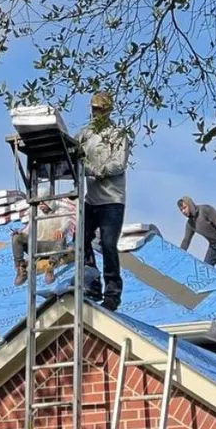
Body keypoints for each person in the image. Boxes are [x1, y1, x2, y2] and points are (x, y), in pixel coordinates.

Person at [76, 92, 131, 312]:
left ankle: (112, 293)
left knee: (108, 244)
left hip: (112, 200)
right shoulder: (86, 134)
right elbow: (71, 146)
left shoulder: (117, 134)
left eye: (100, 109)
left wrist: (100, 170)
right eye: (94, 109)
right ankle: (92, 282)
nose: (96, 113)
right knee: (81, 240)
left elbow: (119, 163)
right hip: (92, 200)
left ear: (108, 111)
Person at [11, 198, 76, 286]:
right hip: (39, 245)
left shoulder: (61, 211)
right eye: (39, 203)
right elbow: (28, 228)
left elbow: (66, 223)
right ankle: (21, 268)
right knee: (16, 237)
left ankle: (50, 267)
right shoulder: (36, 213)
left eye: (43, 203)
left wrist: (61, 230)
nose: (41, 205)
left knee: (61, 238)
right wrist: (20, 233)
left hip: (54, 246)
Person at [177, 196, 216, 277]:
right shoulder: (190, 224)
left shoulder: (205, 210)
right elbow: (186, 241)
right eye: (181, 210)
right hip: (214, 245)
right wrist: (179, 255)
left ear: (189, 204)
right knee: (205, 268)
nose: (183, 211)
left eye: (184, 208)